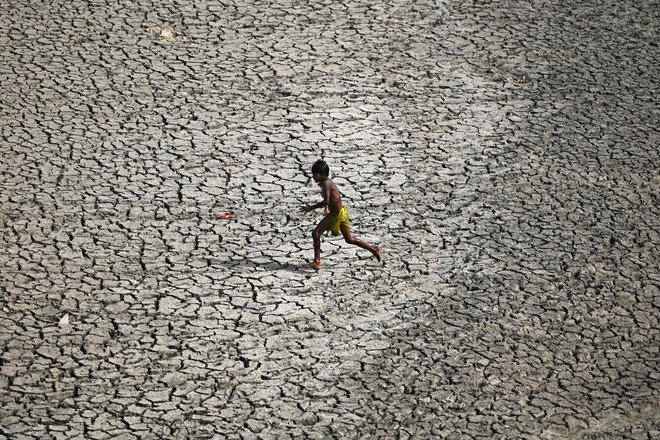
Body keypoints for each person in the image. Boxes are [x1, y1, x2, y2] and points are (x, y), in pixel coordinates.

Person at [300, 159, 381, 268]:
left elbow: (327, 200)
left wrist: (311, 207)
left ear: (322, 174)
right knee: (347, 239)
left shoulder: (326, 183)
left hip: (338, 216)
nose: (313, 176)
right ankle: (374, 250)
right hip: (337, 214)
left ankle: (317, 261)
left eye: (315, 174)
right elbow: (333, 198)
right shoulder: (324, 183)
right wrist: (327, 206)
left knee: (317, 234)